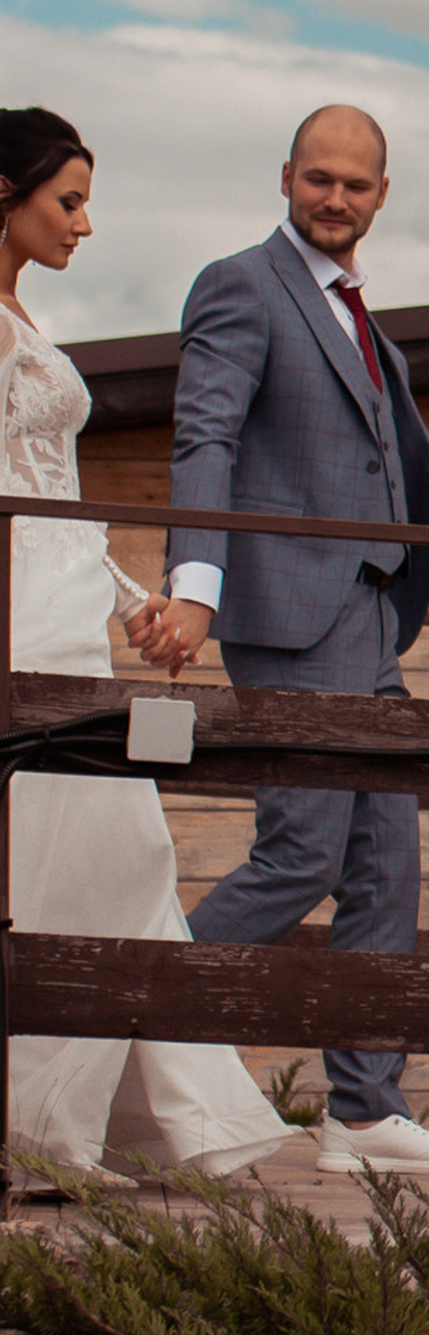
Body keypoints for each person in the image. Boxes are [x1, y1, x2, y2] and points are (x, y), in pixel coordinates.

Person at [128, 105, 429, 1177]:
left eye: (357, 185)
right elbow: (205, 436)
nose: (335, 199)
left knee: (387, 859)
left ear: (383, 195)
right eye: (318, 179)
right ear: (287, 176)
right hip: (290, 612)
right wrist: (195, 584)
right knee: (304, 853)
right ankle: (116, 1024)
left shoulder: (359, 316)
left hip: (367, 617)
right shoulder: (243, 284)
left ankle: (365, 1112)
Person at [0, 106, 289, 1176]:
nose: (85, 224)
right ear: (5, 193)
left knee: (103, 854)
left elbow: (49, 493)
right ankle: (43, 1130)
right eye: (68, 200)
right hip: (17, 617)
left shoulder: (22, 322)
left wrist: (135, 599)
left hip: (65, 611)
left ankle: (107, 1121)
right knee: (87, 851)